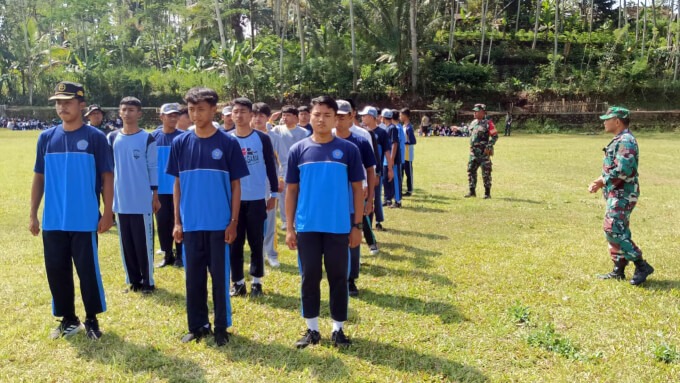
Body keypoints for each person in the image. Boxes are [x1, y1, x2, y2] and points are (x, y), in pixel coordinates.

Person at [30, 81, 113, 340]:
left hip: (84, 218)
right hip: (53, 219)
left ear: (81, 104)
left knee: (87, 271)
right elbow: (39, 177)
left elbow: (107, 177)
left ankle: (91, 319)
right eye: (58, 102)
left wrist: (108, 212)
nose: (61, 107)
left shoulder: (95, 137)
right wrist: (33, 213)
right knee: (57, 270)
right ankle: (68, 319)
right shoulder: (47, 138)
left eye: (67, 102)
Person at [166, 87, 249, 346]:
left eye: (200, 109)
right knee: (193, 278)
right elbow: (177, 184)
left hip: (219, 224)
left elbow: (236, 186)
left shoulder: (228, 142)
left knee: (220, 278)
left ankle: (222, 326)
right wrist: (178, 221)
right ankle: (198, 325)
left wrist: (233, 222)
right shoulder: (180, 143)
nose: (195, 114)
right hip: (191, 225)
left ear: (213, 110)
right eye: (191, 109)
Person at [286, 96, 364, 349]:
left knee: (338, 278)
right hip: (307, 227)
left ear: (335, 118)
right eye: (316, 114)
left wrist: (357, 225)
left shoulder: (349, 150)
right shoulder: (298, 149)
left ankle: (338, 329)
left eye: (326, 115)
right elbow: (291, 191)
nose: (320, 119)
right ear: (309, 116)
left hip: (339, 226)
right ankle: (311, 329)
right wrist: (289, 227)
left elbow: (357, 190)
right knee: (309, 277)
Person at [589, 106, 654, 285]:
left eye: (607, 119)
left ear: (617, 121)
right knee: (617, 229)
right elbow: (615, 168)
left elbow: (625, 170)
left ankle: (641, 265)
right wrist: (599, 181)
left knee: (614, 229)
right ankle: (618, 269)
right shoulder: (619, 139)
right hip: (617, 192)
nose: (604, 122)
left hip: (624, 193)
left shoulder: (626, 141)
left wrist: (603, 181)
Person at [108, 97, 160, 293]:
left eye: (131, 110)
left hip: (141, 200)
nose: (127, 113)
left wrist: (155, 195)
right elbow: (109, 169)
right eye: (124, 110)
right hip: (121, 200)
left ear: (139, 113)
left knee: (143, 243)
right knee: (126, 243)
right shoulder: (112, 138)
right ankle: (134, 280)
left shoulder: (147, 138)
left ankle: (148, 281)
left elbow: (153, 167)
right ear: (119, 113)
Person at [228, 98, 279, 297]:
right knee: (234, 242)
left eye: (243, 112)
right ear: (231, 115)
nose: (239, 115)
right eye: (236, 112)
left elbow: (270, 167)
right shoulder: (227, 139)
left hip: (257, 198)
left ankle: (257, 282)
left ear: (251, 115)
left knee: (256, 241)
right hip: (234, 201)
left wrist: (273, 193)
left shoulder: (262, 138)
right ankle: (238, 282)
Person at [335, 100, 376, 297]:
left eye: (343, 115)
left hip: (353, 196)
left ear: (351, 116)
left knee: (353, 236)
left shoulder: (360, 140)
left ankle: (350, 279)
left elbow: (370, 170)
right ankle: (336, 276)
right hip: (331, 198)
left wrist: (371, 199)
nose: (339, 119)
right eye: (336, 115)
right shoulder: (323, 139)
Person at [151, 103, 185, 268]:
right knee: (163, 222)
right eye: (169, 115)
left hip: (179, 188)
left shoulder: (184, 137)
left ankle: (180, 255)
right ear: (161, 117)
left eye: (175, 115)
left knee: (179, 221)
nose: (173, 118)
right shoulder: (152, 137)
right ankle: (167, 254)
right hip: (160, 189)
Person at [252, 102, 282, 267]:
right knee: (252, 222)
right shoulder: (244, 136)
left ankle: (271, 253)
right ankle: (257, 253)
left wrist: (280, 181)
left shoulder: (274, 137)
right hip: (249, 186)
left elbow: (282, 162)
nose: (257, 119)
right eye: (255, 115)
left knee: (269, 220)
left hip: (268, 185)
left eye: (261, 116)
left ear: (267, 118)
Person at [270, 105, 308, 230]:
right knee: (282, 195)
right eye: (283, 115)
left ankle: (298, 219)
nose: (285, 118)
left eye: (288, 115)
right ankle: (286, 221)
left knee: (298, 193)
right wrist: (271, 119)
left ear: (296, 118)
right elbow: (264, 130)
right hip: (281, 167)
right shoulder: (277, 130)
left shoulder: (303, 132)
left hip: (297, 167)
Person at [360, 106, 393, 232]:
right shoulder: (361, 132)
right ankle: (364, 222)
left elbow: (387, 152)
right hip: (364, 171)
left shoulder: (381, 133)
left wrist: (389, 169)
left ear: (372, 117)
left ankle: (378, 221)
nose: (362, 118)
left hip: (376, 171)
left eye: (364, 116)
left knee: (376, 196)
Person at [465, 103, 498, 199]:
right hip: (473, 153)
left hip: (484, 153)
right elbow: (468, 131)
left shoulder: (489, 123)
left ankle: (487, 194)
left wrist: (489, 145)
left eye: (476, 111)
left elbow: (495, 136)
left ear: (483, 112)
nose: (474, 113)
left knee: (486, 173)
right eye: (474, 111)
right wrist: (457, 128)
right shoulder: (473, 123)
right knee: (471, 171)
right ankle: (472, 192)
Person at [382, 109, 402, 208]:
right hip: (387, 159)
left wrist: (392, 158)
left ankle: (398, 201)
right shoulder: (387, 128)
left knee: (395, 180)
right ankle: (388, 199)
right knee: (387, 179)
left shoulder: (393, 128)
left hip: (393, 159)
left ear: (384, 118)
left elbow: (395, 143)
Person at [400, 108, 417, 196]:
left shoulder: (409, 128)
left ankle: (409, 190)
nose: (400, 116)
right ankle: (400, 189)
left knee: (408, 173)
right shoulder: (403, 126)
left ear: (405, 116)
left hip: (408, 155)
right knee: (401, 173)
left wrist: (404, 142)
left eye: (401, 115)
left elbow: (413, 141)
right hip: (403, 155)